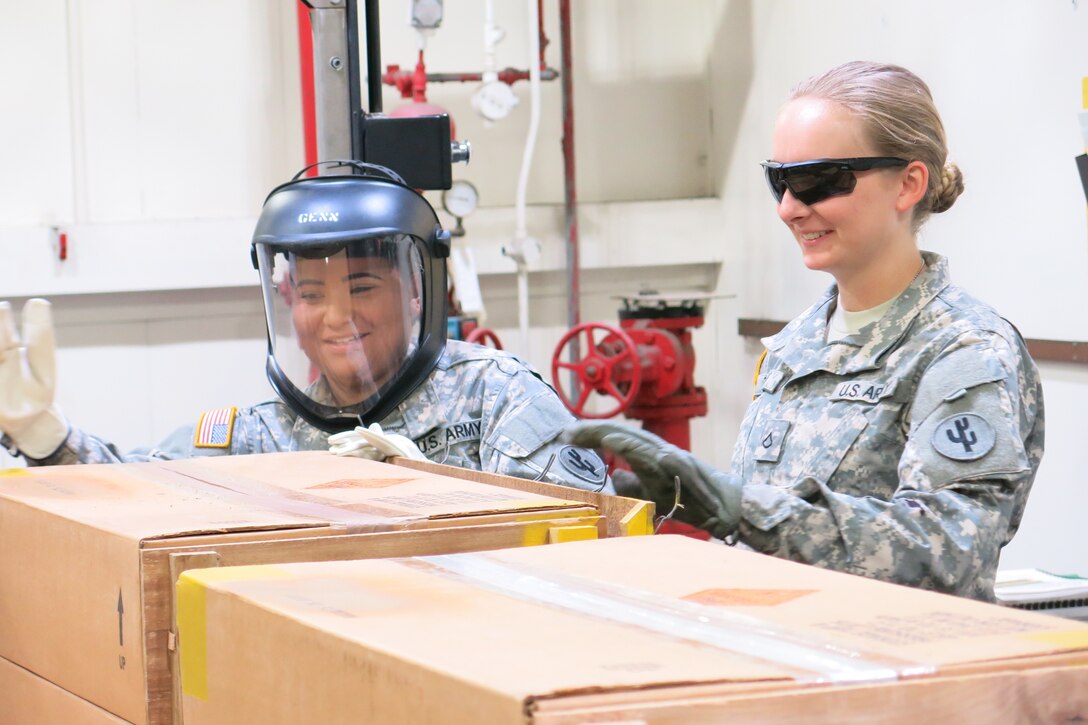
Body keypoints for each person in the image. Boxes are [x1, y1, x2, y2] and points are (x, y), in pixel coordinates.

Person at [567, 61, 1044, 600]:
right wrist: (661, 497)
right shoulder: (796, 345)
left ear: (909, 183)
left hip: (887, 667)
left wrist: (736, 506)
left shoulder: (963, 351)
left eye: (818, 181)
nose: (790, 208)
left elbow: (948, 550)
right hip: (779, 652)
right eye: (779, 181)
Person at [0, 162, 610, 493]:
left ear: (418, 288)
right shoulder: (260, 439)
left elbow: (590, 536)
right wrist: (43, 433)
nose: (337, 317)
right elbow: (130, 494)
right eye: (312, 294)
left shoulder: (498, 397)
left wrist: (432, 489)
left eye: (363, 287)